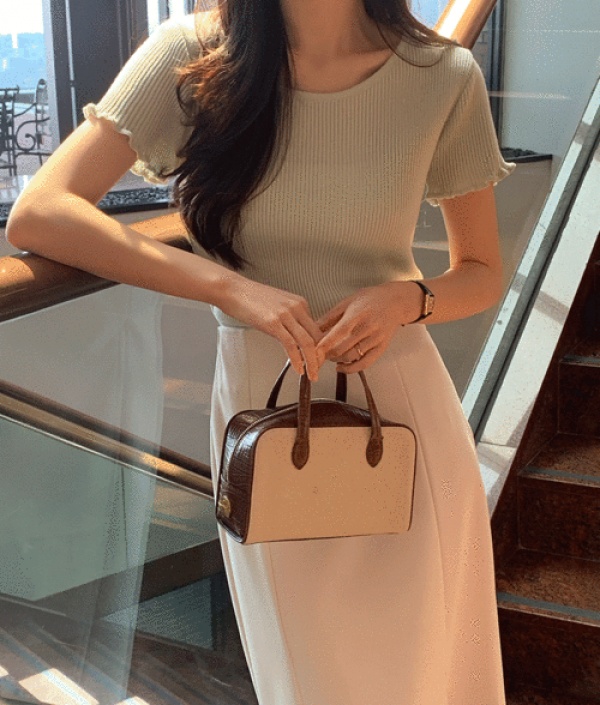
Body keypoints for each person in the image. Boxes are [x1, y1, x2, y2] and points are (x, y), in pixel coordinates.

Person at [6, 0, 515, 702]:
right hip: (263, 420)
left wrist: (405, 300)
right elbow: (41, 212)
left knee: (432, 667)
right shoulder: (191, 56)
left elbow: (482, 272)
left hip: (402, 413)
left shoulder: (441, 74)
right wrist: (232, 289)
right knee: (306, 675)